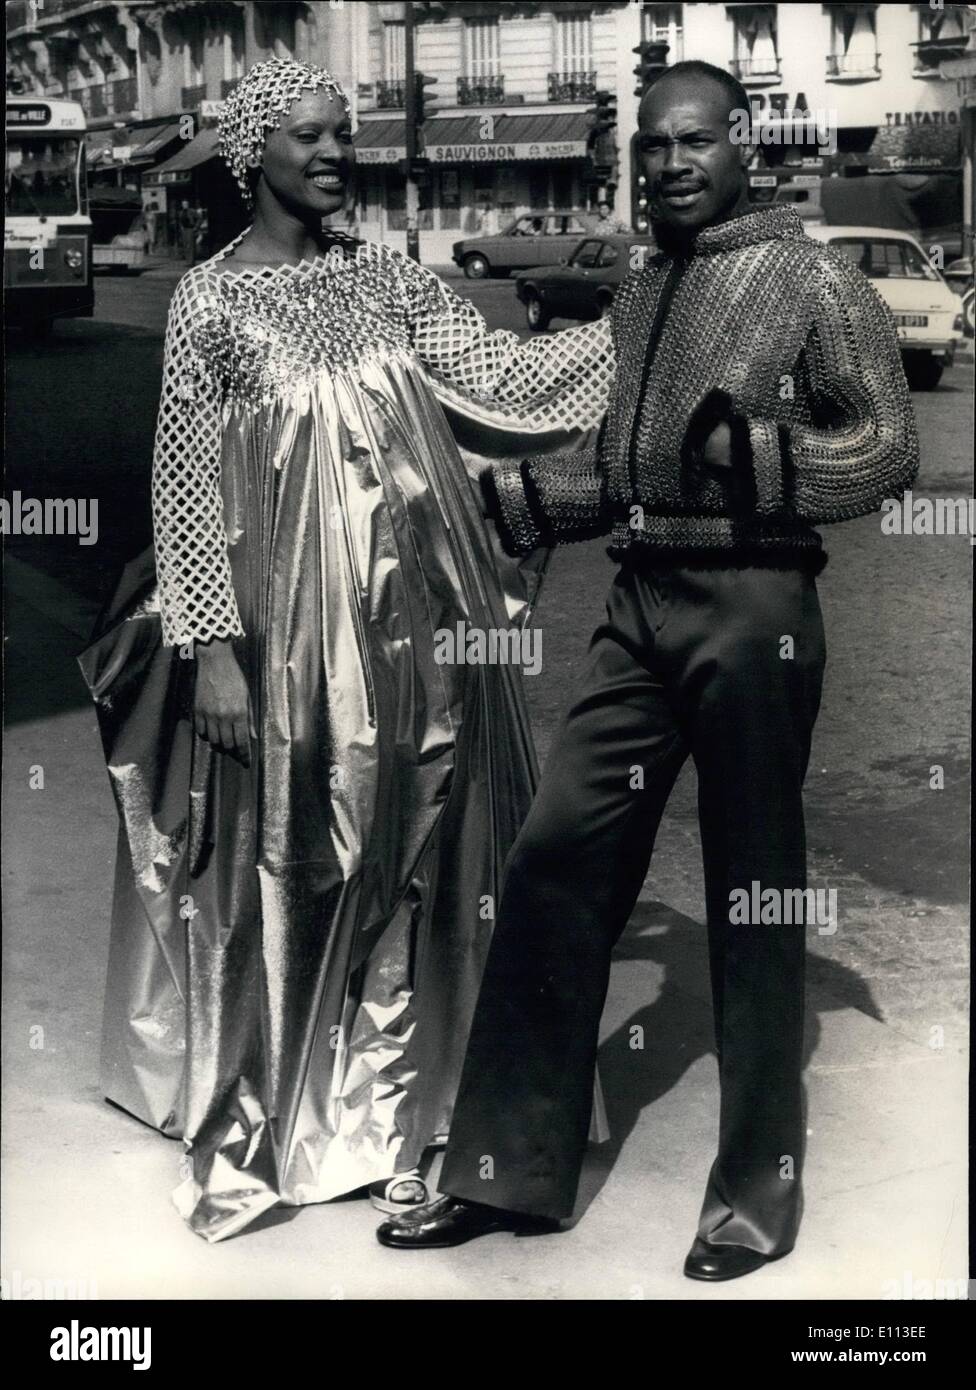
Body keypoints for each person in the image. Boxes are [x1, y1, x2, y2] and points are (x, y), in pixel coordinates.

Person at [376, 60, 919, 1278]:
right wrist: (508, 499)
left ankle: (753, 1199)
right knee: (556, 857)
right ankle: (507, 1174)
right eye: (654, 149)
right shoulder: (641, 290)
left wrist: (759, 459)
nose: (671, 165)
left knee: (750, 893)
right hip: (638, 599)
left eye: (695, 144)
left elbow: (888, 448)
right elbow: (624, 469)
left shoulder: (815, 278)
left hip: (754, 605)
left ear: (743, 147)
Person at [79, 58, 613, 1243]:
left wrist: (633, 329)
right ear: (252, 155)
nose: (335, 154)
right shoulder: (209, 303)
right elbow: (181, 484)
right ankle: (308, 1107)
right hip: (288, 645)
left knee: (427, 835)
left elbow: (504, 377)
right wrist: (210, 645)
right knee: (308, 853)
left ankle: (418, 1110)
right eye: (312, 137)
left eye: (343, 136)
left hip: (426, 618)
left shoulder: (390, 277)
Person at [178, 200, 201, 264]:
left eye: (186, 204)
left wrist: (196, 227)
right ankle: (187, 261)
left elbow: (199, 218)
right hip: (184, 230)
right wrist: (181, 227)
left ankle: (191, 261)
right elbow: (180, 221)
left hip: (190, 229)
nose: (184, 205)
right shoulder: (181, 212)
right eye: (183, 204)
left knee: (191, 245)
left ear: (188, 204)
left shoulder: (192, 211)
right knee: (185, 245)